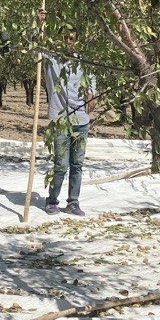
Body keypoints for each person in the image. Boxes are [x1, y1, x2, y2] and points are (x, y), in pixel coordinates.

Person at [41, 24, 97, 217]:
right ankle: (52, 200)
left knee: (77, 164)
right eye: (64, 37)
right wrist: (39, 24)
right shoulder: (50, 59)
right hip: (60, 120)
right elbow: (34, 45)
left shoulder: (82, 62)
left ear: (76, 41)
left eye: (71, 38)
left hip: (81, 120)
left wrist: (92, 94)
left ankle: (73, 202)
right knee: (61, 164)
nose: (67, 42)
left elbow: (92, 81)